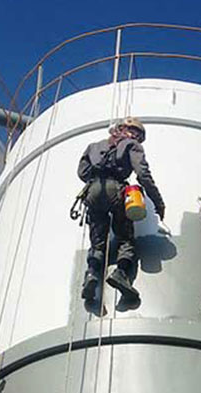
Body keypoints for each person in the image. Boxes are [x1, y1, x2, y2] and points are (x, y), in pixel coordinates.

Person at [77, 117, 165, 305]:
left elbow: (82, 173)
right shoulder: (132, 145)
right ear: (134, 133)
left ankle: (91, 274)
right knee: (125, 238)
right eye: (138, 135)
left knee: (97, 243)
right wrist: (158, 202)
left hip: (92, 191)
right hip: (116, 190)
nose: (137, 138)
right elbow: (142, 174)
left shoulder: (94, 146)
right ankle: (121, 273)